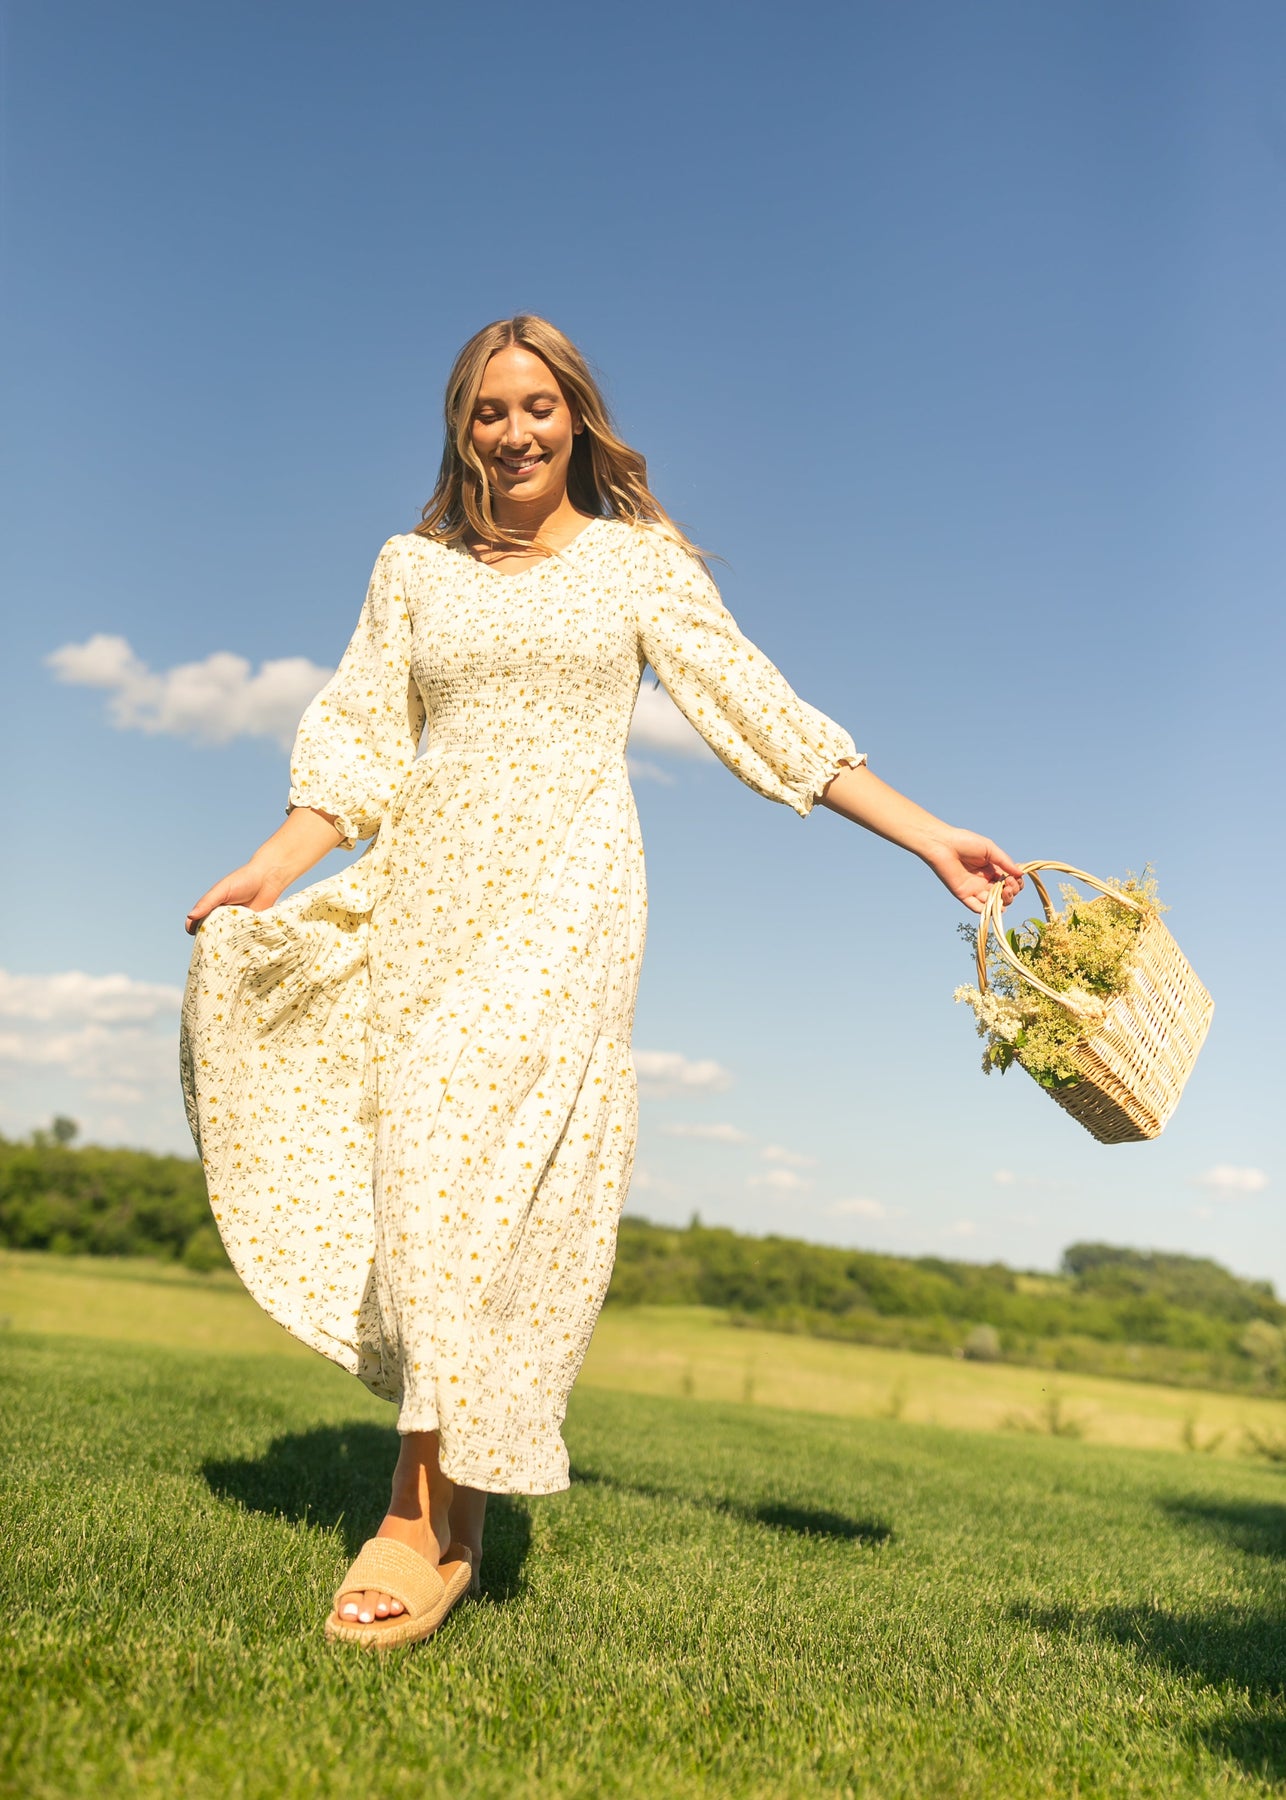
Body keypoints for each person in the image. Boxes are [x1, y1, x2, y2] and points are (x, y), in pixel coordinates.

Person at [181, 314, 1023, 1648]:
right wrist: (267, 869)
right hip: (429, 897)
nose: (515, 432)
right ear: (461, 430)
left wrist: (929, 836)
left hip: (567, 904)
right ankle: (452, 1511)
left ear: (576, 417)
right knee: (428, 1176)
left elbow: (758, 708)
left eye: (538, 407)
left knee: (492, 1186)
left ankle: (414, 1518)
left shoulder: (637, 563)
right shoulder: (411, 569)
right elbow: (356, 742)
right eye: (489, 411)